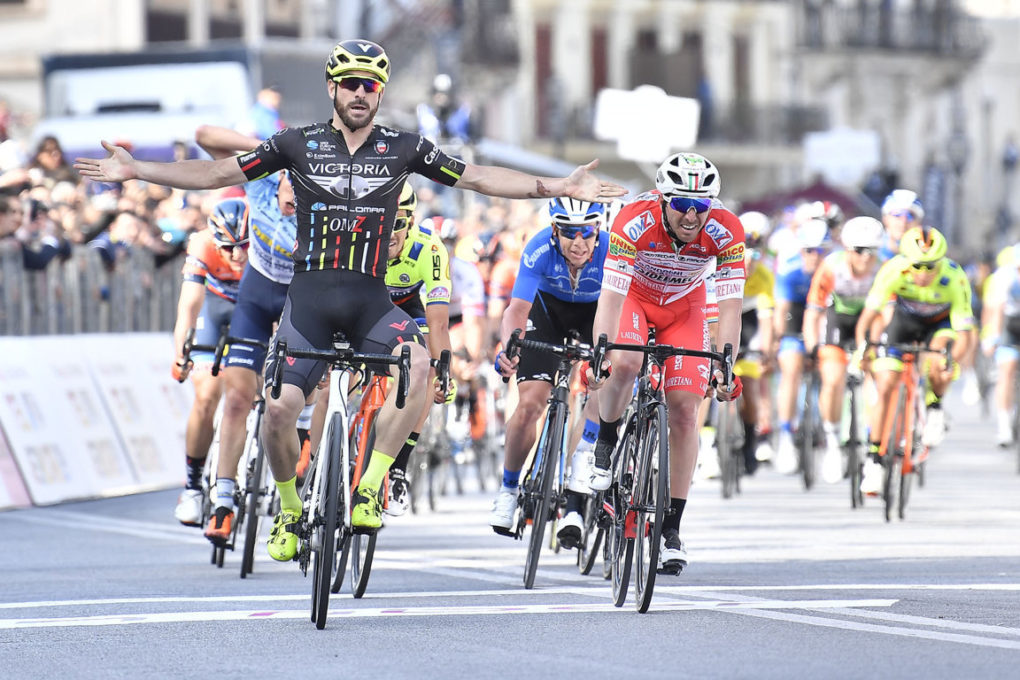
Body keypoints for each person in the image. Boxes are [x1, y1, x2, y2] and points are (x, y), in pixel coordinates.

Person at [75, 39, 625, 561]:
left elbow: (479, 178)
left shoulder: (402, 148)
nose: (360, 93)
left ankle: (369, 484)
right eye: (350, 83)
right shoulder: (297, 144)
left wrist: (559, 187)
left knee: (424, 367)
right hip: (309, 302)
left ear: (380, 94)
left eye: (370, 85)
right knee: (278, 414)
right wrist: (139, 169)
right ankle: (290, 510)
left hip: (370, 301)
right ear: (333, 89)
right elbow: (217, 170)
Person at [585, 152, 744, 572]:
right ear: (662, 199)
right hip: (635, 298)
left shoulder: (727, 230)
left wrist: (727, 364)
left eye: (701, 207)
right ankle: (605, 441)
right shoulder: (634, 220)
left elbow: (729, 307)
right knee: (626, 364)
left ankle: (671, 529)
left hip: (684, 307)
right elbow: (612, 297)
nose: (691, 216)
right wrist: (601, 347)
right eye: (681, 206)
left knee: (686, 410)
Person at [193, 124, 299, 545]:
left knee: (293, 399)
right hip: (256, 296)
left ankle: (302, 449)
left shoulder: (324, 197)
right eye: (290, 184)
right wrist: (271, 149)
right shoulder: (263, 176)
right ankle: (223, 501)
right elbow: (206, 136)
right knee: (236, 397)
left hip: (298, 298)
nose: (294, 198)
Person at [492, 197, 608, 548]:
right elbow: (517, 309)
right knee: (530, 404)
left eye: (587, 232)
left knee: (605, 385)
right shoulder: (539, 248)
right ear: (555, 230)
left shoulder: (612, 252)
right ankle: (509, 489)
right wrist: (509, 347)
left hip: (595, 314)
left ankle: (577, 484)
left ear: (598, 230)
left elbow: (620, 311)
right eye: (569, 233)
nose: (579, 242)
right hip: (546, 314)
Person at [854, 226, 975, 494]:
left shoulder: (955, 278)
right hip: (903, 322)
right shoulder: (893, 270)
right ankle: (874, 459)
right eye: (918, 266)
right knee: (885, 384)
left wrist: (950, 363)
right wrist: (865, 348)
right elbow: (869, 317)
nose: (924, 273)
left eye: (931, 266)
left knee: (940, 356)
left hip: (939, 325)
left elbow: (965, 334)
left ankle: (935, 406)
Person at [170, 198, 249, 526]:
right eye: (228, 247)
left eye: (244, 245)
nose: (237, 255)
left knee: (251, 394)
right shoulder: (201, 244)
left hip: (252, 312)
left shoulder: (269, 240)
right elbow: (188, 306)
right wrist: (180, 352)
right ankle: (192, 486)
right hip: (214, 312)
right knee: (206, 396)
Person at [382, 181, 455, 514]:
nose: (389, 233)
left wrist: (444, 371)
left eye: (398, 222)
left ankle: (400, 465)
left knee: (424, 369)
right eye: (381, 222)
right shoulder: (362, 243)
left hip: (408, 305)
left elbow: (438, 323)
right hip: (365, 304)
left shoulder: (429, 248)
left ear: (410, 221)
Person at [802, 216, 884, 484]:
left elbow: (888, 314)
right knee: (833, 379)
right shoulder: (831, 268)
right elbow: (813, 311)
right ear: (848, 249)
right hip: (838, 321)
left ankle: (874, 442)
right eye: (860, 250)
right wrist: (812, 344)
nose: (866, 258)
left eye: (872, 251)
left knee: (878, 379)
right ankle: (832, 441)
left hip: (869, 322)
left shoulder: (882, 269)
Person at [772, 219, 831, 474]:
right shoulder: (789, 271)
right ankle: (786, 434)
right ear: (800, 251)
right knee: (791, 368)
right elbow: (781, 311)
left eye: (820, 251)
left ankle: (830, 433)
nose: (814, 257)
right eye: (809, 250)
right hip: (794, 320)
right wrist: (777, 340)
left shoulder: (834, 272)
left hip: (824, 321)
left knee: (831, 368)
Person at [977, 244, 1020, 446]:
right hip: (1010, 324)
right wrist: (991, 337)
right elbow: (996, 309)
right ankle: (1004, 425)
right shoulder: (1004, 277)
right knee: (1007, 369)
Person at [879, 189, 924, 260]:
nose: (903, 221)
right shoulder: (870, 253)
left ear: (919, 222)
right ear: (885, 219)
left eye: (910, 216)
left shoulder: (929, 256)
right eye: (897, 214)